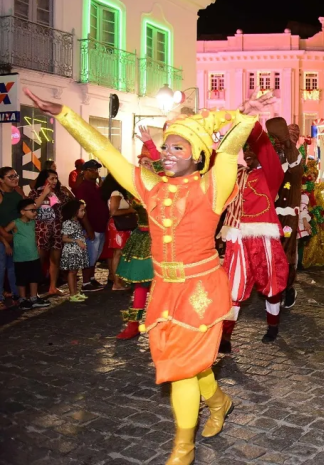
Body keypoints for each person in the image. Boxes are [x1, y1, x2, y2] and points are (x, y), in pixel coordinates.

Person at [25, 87, 275, 464]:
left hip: (200, 289)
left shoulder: (213, 185)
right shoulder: (151, 186)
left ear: (198, 155)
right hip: (165, 288)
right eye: (167, 146)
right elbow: (108, 153)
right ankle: (220, 402)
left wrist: (245, 119)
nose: (169, 153)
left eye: (179, 148)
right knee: (186, 363)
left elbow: (227, 151)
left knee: (182, 372)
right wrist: (64, 114)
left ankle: (182, 448)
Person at [219, 120, 289, 349]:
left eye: (252, 149)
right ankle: (225, 337)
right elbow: (213, 161)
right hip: (236, 238)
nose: (247, 153)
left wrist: (253, 127)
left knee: (271, 283)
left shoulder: (271, 175)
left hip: (263, 238)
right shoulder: (235, 174)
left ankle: (273, 325)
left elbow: (267, 152)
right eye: (245, 149)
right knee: (233, 287)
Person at [114, 136, 162, 339]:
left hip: (162, 240)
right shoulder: (135, 186)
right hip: (141, 238)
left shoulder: (164, 185)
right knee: (140, 286)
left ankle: (162, 326)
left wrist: (151, 145)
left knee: (163, 286)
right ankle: (133, 324)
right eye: (142, 162)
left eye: (149, 163)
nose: (145, 166)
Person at [268, 119, 304, 312]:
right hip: (270, 214)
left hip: (289, 214)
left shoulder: (296, 158)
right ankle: (274, 288)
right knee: (271, 251)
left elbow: (296, 166)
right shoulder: (274, 158)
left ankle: (287, 287)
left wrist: (288, 145)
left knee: (287, 253)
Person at [3, 199, 50, 310]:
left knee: (34, 277)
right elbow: (3, 233)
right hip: (20, 258)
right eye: (32, 210)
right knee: (22, 279)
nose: (35, 213)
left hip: (33, 256)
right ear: (22, 211)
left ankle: (34, 298)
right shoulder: (15, 223)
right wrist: (7, 245)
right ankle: (22, 299)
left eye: (35, 210)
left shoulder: (34, 223)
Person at [32, 168, 73, 295]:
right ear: (45, 179)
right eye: (51, 178)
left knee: (55, 260)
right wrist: (44, 193)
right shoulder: (35, 192)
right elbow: (33, 207)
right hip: (41, 231)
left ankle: (52, 287)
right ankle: (35, 290)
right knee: (39, 260)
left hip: (57, 230)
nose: (55, 181)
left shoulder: (59, 193)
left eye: (56, 178)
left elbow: (73, 203)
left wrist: (68, 192)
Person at [73, 159, 109, 291]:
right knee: (89, 255)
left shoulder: (95, 185)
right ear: (85, 172)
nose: (95, 172)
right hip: (91, 227)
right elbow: (82, 210)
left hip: (100, 226)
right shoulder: (84, 187)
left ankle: (92, 278)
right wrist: (88, 228)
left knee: (95, 255)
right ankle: (86, 282)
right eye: (92, 170)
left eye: (96, 170)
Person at [102, 174, 134, 290]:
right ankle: (117, 283)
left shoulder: (117, 193)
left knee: (119, 254)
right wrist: (131, 210)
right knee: (118, 254)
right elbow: (113, 212)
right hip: (118, 227)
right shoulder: (116, 193)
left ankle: (118, 281)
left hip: (119, 226)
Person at [0, 167, 24, 307]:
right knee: (1, 267)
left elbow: (25, 210)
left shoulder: (18, 191)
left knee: (13, 268)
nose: (15, 178)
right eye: (11, 177)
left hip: (15, 236)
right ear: (1, 180)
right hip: (3, 237)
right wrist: (4, 237)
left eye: (16, 175)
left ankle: (16, 295)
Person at [60, 199, 89, 303]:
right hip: (71, 250)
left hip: (76, 250)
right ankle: (72, 293)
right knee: (72, 272)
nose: (83, 212)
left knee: (75, 272)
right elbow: (64, 238)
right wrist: (76, 240)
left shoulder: (76, 222)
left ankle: (75, 292)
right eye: (81, 210)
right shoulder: (68, 223)